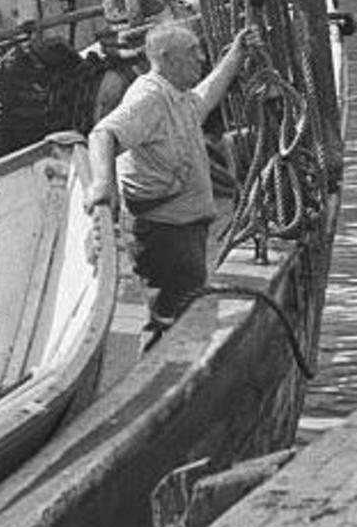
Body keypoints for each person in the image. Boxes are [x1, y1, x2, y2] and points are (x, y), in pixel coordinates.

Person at [84, 18, 253, 336]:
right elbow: (103, 134)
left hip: (182, 231)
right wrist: (102, 185)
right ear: (166, 59)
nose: (201, 58)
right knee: (175, 320)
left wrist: (235, 56)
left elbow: (206, 95)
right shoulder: (150, 98)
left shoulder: (176, 95)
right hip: (165, 236)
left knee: (181, 310)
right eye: (192, 52)